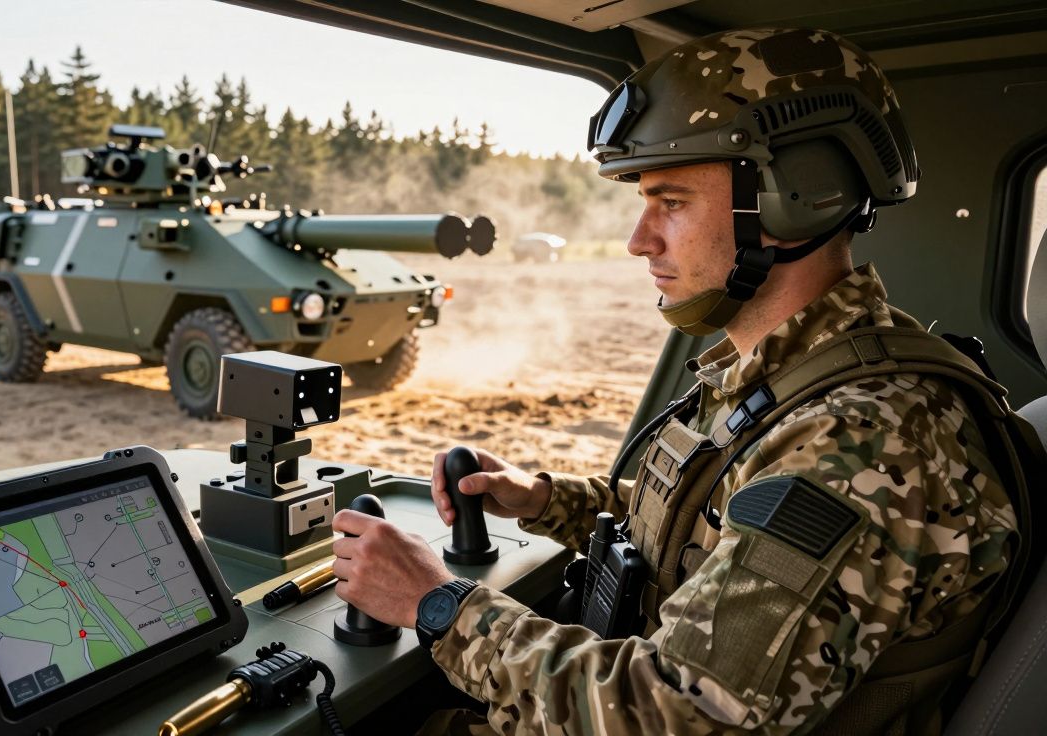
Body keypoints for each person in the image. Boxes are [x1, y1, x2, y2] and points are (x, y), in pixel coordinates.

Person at [331, 27, 1021, 734]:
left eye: (673, 202)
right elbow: (713, 531)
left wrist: (438, 603)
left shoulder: (863, 437)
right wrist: (542, 499)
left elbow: (679, 716)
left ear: (798, 198)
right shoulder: (795, 377)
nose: (639, 239)